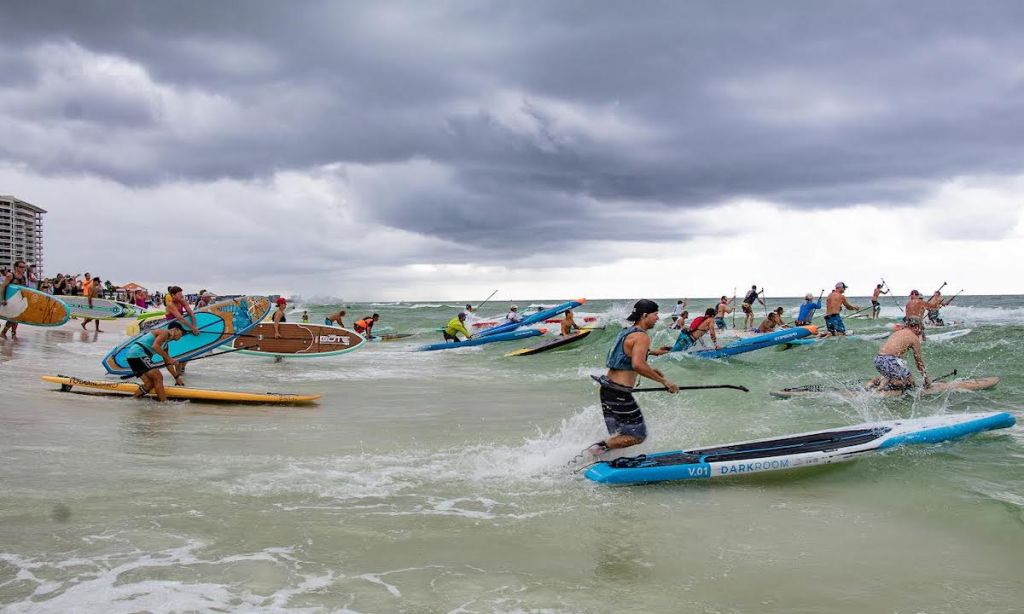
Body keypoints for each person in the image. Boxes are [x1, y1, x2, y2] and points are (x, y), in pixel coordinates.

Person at [587, 299, 678, 456]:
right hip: (619, 392)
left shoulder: (626, 331)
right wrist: (665, 381)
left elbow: (626, 356)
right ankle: (591, 453)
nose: (658, 318)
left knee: (618, 434)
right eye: (655, 314)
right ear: (644, 315)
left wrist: (652, 356)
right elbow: (637, 365)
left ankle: (597, 458)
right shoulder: (642, 336)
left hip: (607, 389)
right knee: (638, 435)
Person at [126, 321, 186, 399]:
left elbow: (168, 363)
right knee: (158, 377)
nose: (181, 336)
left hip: (131, 356)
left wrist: (177, 377)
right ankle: (164, 404)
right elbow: (155, 346)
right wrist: (170, 359)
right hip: (138, 353)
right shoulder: (164, 333)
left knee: (149, 384)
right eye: (181, 333)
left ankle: (131, 400)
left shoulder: (165, 345)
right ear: (176, 329)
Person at [870, 317, 930, 391]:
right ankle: (882, 388)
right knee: (910, 382)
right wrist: (926, 379)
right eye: (921, 329)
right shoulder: (914, 338)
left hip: (878, 359)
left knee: (894, 376)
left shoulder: (898, 332)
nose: (920, 332)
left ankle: (874, 383)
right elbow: (919, 362)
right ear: (916, 327)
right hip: (890, 360)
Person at [0, 260, 30, 339]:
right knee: (13, 317)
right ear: (16, 267)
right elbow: (3, 287)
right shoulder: (10, 275)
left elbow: (23, 289)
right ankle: (6, 333)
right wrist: (3, 299)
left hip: (18, 300)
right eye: (21, 267)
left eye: (24, 267)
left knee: (16, 317)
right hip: (9, 299)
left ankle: (11, 334)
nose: (23, 269)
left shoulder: (23, 277)